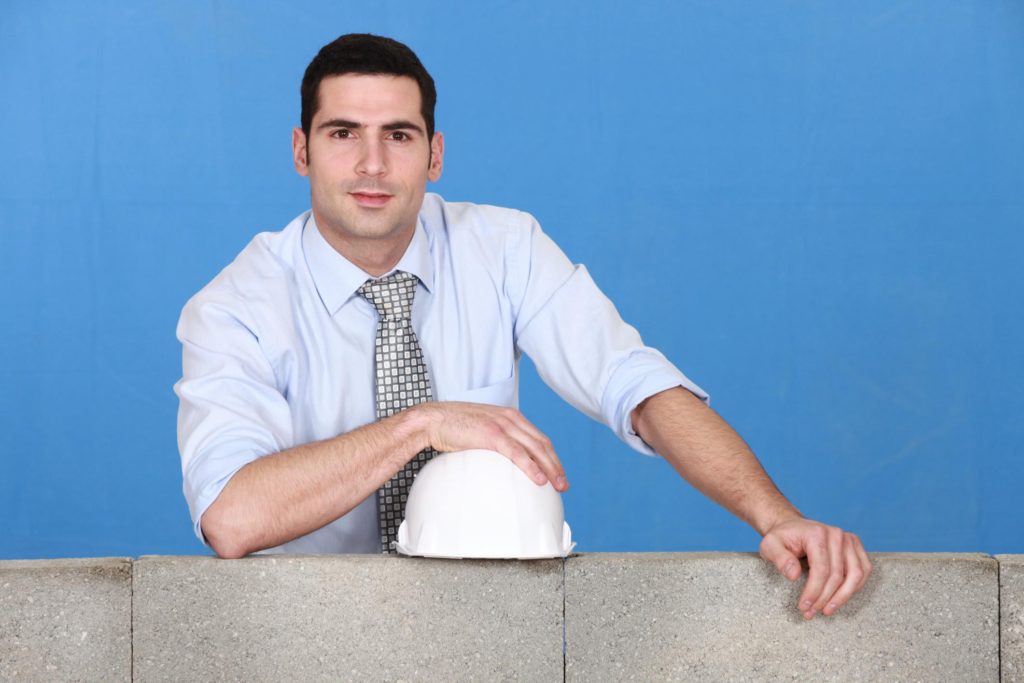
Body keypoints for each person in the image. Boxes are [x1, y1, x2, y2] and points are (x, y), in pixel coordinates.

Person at [175, 33, 871, 620]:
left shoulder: (503, 248)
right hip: (307, 633)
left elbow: (634, 382)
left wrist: (775, 515)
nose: (373, 165)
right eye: (342, 134)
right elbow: (232, 516)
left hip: (482, 627)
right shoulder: (236, 306)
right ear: (301, 150)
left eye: (399, 135)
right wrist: (423, 424)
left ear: (435, 154)